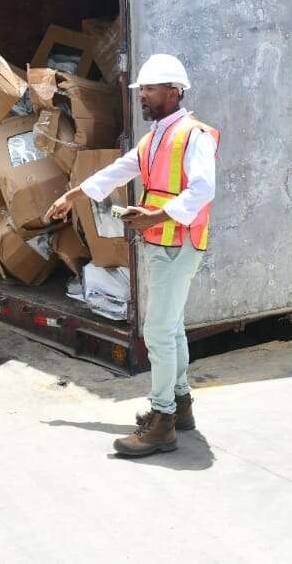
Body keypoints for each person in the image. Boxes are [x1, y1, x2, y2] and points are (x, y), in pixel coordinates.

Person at [47, 54, 218, 457]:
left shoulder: (194, 136)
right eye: (142, 89)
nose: (143, 95)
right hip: (162, 242)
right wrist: (74, 194)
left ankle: (162, 422)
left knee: (157, 331)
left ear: (175, 92)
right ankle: (181, 405)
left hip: (179, 243)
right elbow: (120, 170)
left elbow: (203, 190)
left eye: (151, 89)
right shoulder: (156, 136)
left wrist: (155, 215)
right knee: (170, 327)